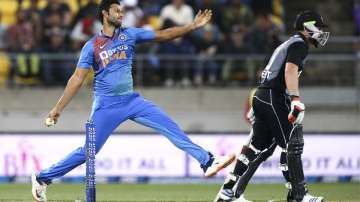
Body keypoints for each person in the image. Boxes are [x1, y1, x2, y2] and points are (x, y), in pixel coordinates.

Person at [31, 1, 235, 201]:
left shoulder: (130, 34)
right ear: (104, 13)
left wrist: (191, 26)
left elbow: (163, 35)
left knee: (169, 126)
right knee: (87, 152)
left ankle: (207, 161)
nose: (121, 14)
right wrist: (57, 108)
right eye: (116, 11)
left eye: (122, 11)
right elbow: (77, 78)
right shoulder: (91, 45)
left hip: (131, 100)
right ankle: (42, 178)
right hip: (106, 106)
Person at [214, 10, 329, 202]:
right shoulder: (300, 43)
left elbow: (270, 71)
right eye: (318, 27)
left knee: (256, 147)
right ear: (307, 27)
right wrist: (295, 99)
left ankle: (227, 193)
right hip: (272, 96)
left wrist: (259, 101)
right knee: (292, 144)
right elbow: (289, 70)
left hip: (263, 95)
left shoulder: (288, 42)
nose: (320, 32)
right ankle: (299, 196)